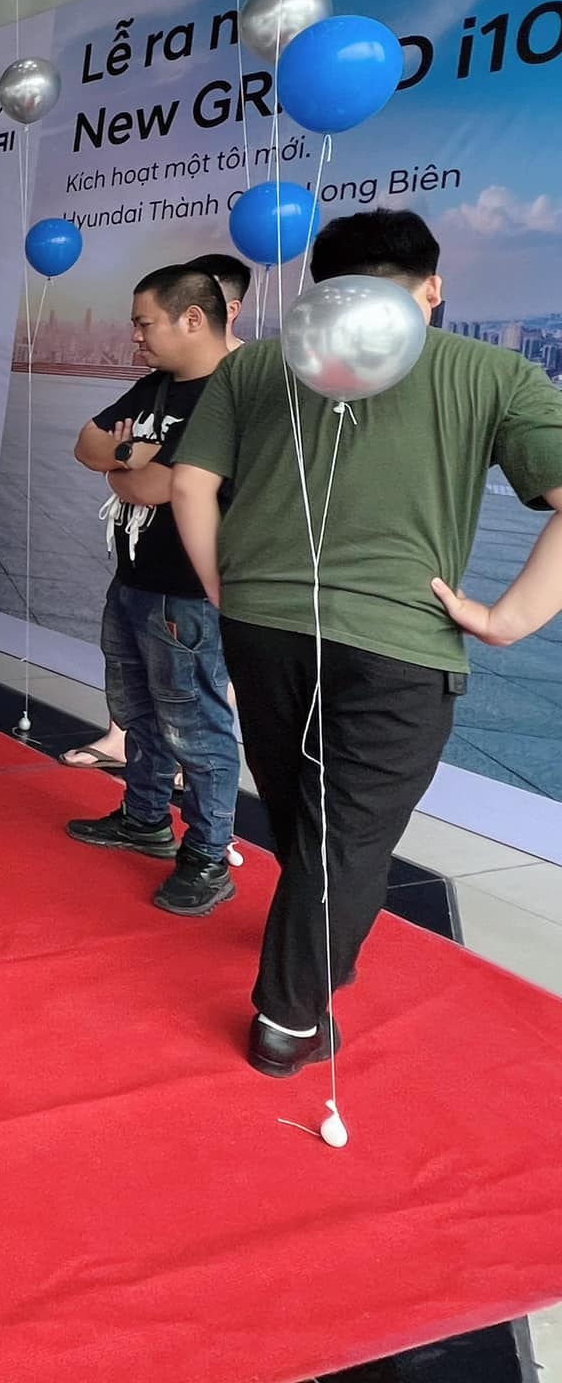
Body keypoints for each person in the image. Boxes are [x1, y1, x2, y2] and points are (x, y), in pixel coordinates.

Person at [173, 209, 562, 1076]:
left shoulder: (258, 364)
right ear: (434, 287)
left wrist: (225, 587)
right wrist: (508, 620)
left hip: (263, 623)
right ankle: (288, 1019)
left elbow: (190, 484)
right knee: (348, 830)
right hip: (402, 639)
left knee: (303, 811)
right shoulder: (495, 370)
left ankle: (316, 955)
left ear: (323, 288)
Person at [65, 267, 241, 915]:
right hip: (134, 579)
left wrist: (129, 463)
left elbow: (157, 486)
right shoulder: (157, 386)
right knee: (136, 711)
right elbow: (87, 443)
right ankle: (144, 818)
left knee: (197, 728)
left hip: (188, 593)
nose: (135, 335)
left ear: (192, 318)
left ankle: (208, 856)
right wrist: (128, 458)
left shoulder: (232, 392)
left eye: (145, 323)